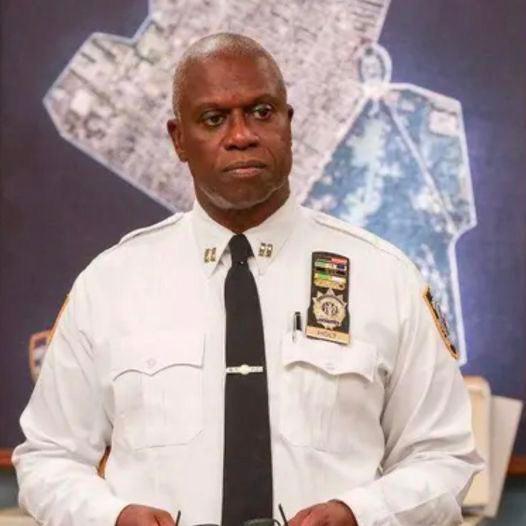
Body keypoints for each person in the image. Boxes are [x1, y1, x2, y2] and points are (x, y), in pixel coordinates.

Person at [13, 33, 483, 526]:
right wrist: (112, 519)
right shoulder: (110, 285)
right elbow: (49, 458)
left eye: (261, 112)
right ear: (178, 139)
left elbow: (444, 458)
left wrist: (360, 515)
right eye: (213, 119)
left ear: (288, 123)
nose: (241, 135)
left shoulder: (385, 279)